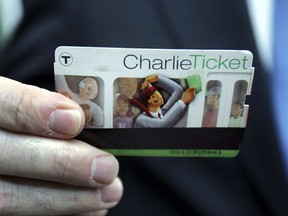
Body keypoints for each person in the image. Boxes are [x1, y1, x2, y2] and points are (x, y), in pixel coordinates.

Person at [0, 0, 287, 215]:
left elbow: (175, 92)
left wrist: (159, 81)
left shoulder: (162, 107)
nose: (157, 98)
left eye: (156, 97)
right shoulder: (148, 121)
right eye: (152, 98)